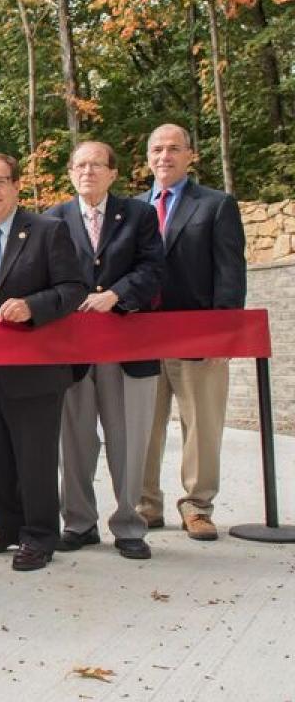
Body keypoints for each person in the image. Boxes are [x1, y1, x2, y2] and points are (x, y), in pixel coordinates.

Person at [0, 153, 84, 571]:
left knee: (35, 459)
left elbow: (74, 288)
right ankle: (6, 529)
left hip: (36, 371)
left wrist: (33, 306)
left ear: (15, 186)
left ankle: (40, 535)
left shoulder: (48, 232)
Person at [46, 141, 164, 560]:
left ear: (114, 173)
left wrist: (115, 294)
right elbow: (44, 275)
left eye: (97, 164)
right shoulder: (52, 218)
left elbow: (153, 268)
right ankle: (78, 522)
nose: (88, 171)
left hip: (125, 346)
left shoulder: (139, 215)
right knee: (74, 439)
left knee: (126, 437)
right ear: (69, 172)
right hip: (73, 351)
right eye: (80, 164)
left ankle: (130, 524)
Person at [135, 124, 247, 540]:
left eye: (173, 149)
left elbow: (230, 272)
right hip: (142, 336)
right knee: (144, 424)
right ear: (147, 157)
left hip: (197, 334)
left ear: (189, 155)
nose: (164, 156)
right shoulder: (133, 209)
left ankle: (197, 505)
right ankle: (145, 504)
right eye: (157, 149)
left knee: (202, 423)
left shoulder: (216, 205)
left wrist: (224, 334)